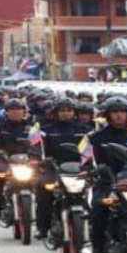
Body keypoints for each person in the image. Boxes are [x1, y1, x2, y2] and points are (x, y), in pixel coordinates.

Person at [81, 96, 127, 253]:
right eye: (114, 112)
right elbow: (84, 159)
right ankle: (97, 249)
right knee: (99, 208)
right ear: (107, 115)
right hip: (104, 183)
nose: (119, 116)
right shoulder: (93, 137)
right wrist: (90, 171)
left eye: (122, 112)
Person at [35, 98, 87, 241]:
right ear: (56, 113)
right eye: (62, 111)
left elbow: (92, 150)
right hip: (54, 169)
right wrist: (39, 158)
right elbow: (37, 148)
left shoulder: (84, 130)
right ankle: (43, 228)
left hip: (80, 171)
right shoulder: (45, 130)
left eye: (69, 110)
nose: (66, 114)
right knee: (44, 190)